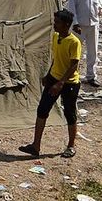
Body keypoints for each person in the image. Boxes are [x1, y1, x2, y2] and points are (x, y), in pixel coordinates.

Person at [20, 9, 82, 159]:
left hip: (69, 83)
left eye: (58, 23)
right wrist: (48, 75)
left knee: (70, 113)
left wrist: (60, 83)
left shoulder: (74, 42)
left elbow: (73, 65)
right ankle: (36, 146)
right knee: (42, 110)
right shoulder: (55, 37)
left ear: (66, 25)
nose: (55, 25)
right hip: (54, 79)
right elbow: (56, 59)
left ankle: (71, 146)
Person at [69, 0, 100, 87]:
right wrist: (75, 23)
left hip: (94, 22)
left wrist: (100, 7)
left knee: (93, 51)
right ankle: (73, 75)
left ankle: (91, 76)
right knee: (76, 51)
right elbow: (71, 4)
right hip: (80, 24)